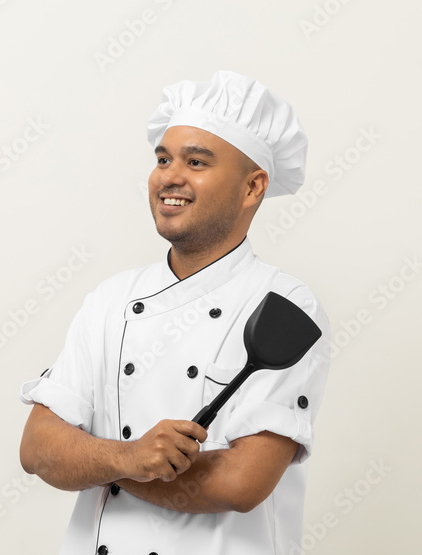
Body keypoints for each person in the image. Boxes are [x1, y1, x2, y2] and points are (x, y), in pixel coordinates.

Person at [17, 70, 330, 555]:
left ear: (253, 187)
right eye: (163, 158)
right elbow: (38, 448)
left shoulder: (284, 306)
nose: (169, 176)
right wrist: (131, 455)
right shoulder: (110, 299)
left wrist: (94, 460)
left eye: (197, 161)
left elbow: (240, 483)